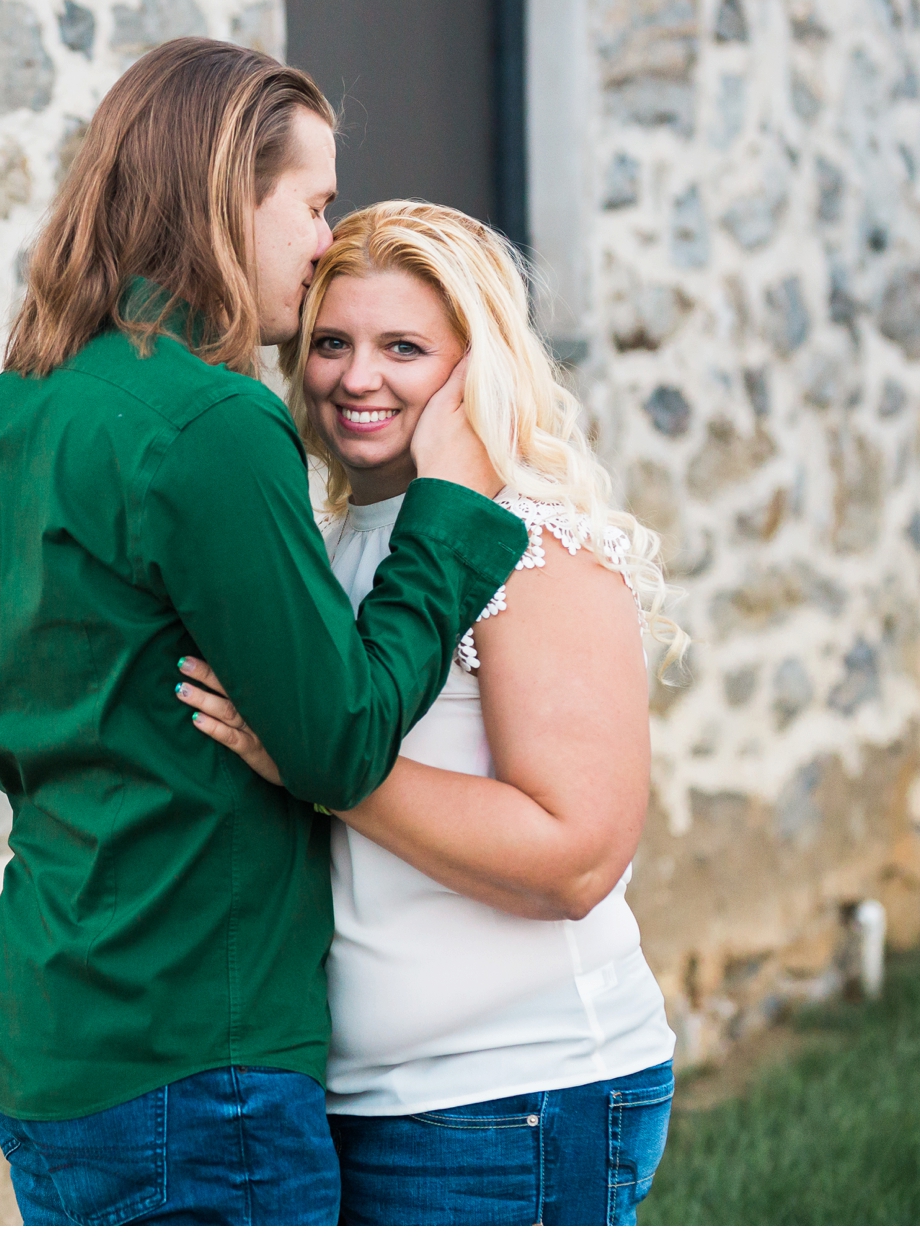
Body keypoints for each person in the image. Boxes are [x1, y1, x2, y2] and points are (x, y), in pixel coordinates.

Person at [0, 41, 530, 1224]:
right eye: (309, 205)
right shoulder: (212, 419)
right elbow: (343, 742)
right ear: (222, 197)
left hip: (49, 1017)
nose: (324, 241)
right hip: (186, 1051)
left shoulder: (10, 408)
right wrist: (449, 520)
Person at [175, 200, 689, 1226]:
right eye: (331, 342)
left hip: (512, 1098)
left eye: (401, 347)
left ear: (474, 365)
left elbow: (575, 856)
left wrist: (320, 763)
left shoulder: (530, 549)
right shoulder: (319, 542)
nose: (355, 377)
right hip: (351, 1103)